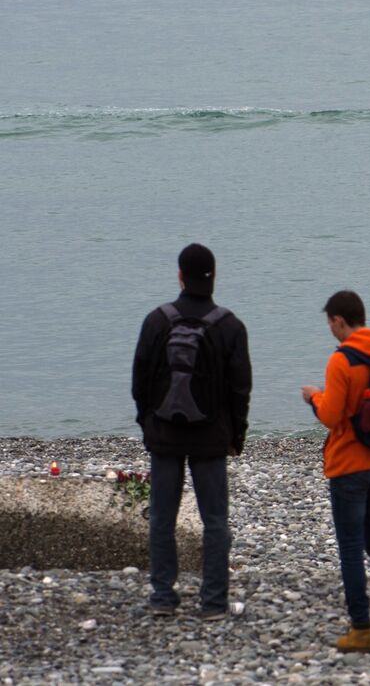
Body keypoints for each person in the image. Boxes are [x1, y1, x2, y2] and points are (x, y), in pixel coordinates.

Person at [131, 243, 251, 620]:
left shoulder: (156, 321)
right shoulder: (230, 326)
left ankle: (163, 598)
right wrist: (237, 437)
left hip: (164, 434)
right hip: (212, 437)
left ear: (180, 276)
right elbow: (240, 390)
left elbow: (140, 381)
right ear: (214, 276)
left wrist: (147, 423)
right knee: (215, 521)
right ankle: (214, 602)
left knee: (162, 519)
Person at [300, 290, 370, 653]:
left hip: (349, 466)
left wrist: (314, 397)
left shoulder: (342, 361)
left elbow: (331, 416)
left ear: (339, 320)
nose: (330, 329)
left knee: (350, 548)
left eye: (330, 322)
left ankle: (361, 629)